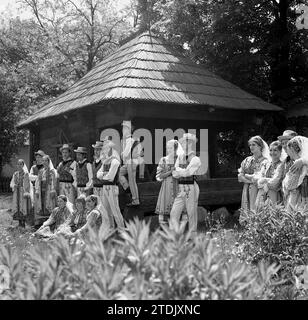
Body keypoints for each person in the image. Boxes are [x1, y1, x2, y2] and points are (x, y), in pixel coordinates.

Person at [169, 133, 201, 236]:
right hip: (181, 187)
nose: (181, 143)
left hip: (191, 186)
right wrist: (179, 171)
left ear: (190, 143)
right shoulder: (180, 157)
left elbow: (188, 172)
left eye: (184, 142)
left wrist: (179, 171)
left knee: (191, 212)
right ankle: (174, 235)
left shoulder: (195, 159)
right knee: (174, 212)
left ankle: (193, 236)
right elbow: (174, 173)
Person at [97, 138, 125, 230]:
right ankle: (111, 228)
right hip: (105, 187)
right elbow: (98, 174)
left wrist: (103, 175)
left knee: (115, 210)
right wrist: (105, 175)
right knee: (106, 210)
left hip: (112, 187)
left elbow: (110, 177)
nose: (104, 150)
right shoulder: (105, 162)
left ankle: (121, 229)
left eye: (106, 148)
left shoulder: (115, 161)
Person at [155, 139, 184, 225]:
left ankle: (178, 229)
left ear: (176, 149)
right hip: (166, 187)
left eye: (171, 148)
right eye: (168, 148)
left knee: (178, 209)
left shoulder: (180, 160)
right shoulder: (164, 160)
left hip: (178, 186)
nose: (169, 150)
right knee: (165, 210)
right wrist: (170, 172)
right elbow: (160, 176)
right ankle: (164, 230)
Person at [238, 135, 270, 212]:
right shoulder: (247, 160)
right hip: (246, 187)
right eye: (250, 145)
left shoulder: (265, 161)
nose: (251, 147)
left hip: (258, 189)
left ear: (260, 146)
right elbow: (240, 177)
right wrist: (250, 180)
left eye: (254, 145)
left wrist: (246, 176)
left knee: (256, 209)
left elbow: (260, 177)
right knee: (246, 208)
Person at [267, 130, 298, 205]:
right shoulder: (285, 162)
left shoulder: (302, 159)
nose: (284, 146)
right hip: (287, 195)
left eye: (287, 143)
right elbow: (276, 181)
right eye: (283, 143)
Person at [119, 120, 143, 207]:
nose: (123, 130)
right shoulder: (126, 140)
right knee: (119, 173)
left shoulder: (130, 139)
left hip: (131, 162)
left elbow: (125, 154)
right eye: (123, 128)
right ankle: (127, 187)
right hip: (128, 163)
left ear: (128, 129)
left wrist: (122, 155)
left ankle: (135, 200)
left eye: (124, 128)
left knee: (132, 181)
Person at [255, 141, 284, 209]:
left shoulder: (281, 165)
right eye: (270, 150)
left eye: (275, 150)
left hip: (274, 193)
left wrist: (264, 180)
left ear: (280, 152)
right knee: (260, 213)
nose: (272, 152)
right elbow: (259, 179)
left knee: (272, 213)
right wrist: (262, 182)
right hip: (262, 192)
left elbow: (275, 182)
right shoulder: (266, 163)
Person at [282, 136, 308, 212]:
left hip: (299, 193)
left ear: (293, 151)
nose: (291, 157)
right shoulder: (302, 162)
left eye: (291, 154)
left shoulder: (299, 163)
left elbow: (291, 183)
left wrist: (285, 185)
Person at [35, 155, 57, 227]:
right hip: (41, 190)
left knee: (49, 204)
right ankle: (42, 221)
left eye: (46, 161)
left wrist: (53, 189)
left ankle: (50, 221)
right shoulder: (41, 171)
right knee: (41, 205)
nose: (44, 162)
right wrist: (37, 190)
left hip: (49, 190)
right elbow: (38, 181)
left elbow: (54, 180)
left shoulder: (52, 171)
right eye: (43, 161)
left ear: (49, 161)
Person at [10, 159, 33, 228]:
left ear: (23, 165)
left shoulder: (25, 174)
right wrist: (14, 185)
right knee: (17, 206)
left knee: (23, 206)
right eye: (18, 164)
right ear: (17, 165)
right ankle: (19, 222)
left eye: (21, 164)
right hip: (16, 192)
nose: (19, 165)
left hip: (22, 192)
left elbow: (27, 184)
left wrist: (26, 191)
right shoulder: (15, 174)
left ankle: (23, 222)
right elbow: (12, 183)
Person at [29, 150, 45, 225]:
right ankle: (37, 221)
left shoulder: (45, 166)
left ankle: (44, 220)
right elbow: (30, 177)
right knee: (36, 204)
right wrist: (38, 177)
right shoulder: (33, 167)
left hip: (44, 189)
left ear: (42, 158)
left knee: (44, 203)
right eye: (37, 157)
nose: (38, 159)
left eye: (39, 157)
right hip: (36, 188)